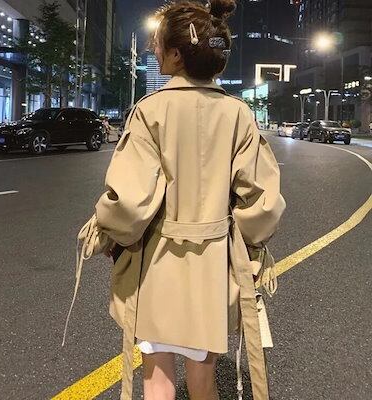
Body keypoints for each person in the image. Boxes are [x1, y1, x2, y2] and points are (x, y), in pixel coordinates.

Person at [94, 1, 286, 399]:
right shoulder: (239, 114)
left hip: (154, 262)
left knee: (157, 378)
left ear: (177, 55)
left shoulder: (149, 110)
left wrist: (111, 232)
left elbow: (128, 203)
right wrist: (249, 248)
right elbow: (262, 201)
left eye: (158, 42)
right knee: (203, 378)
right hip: (213, 264)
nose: (154, 48)